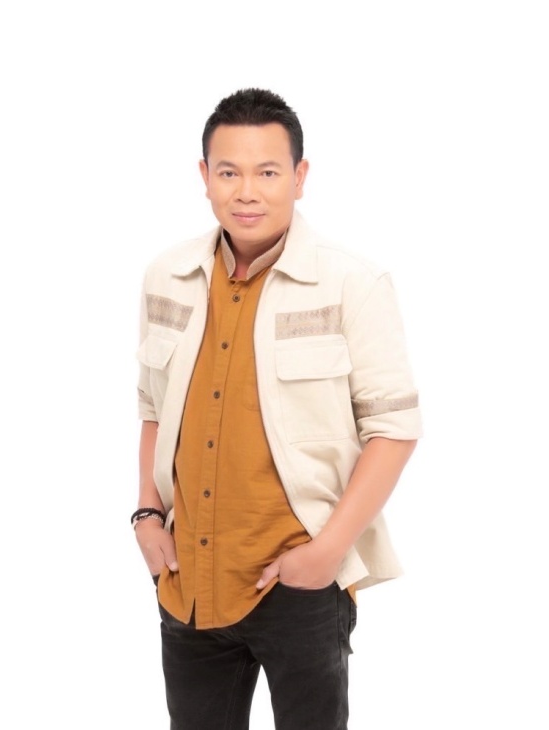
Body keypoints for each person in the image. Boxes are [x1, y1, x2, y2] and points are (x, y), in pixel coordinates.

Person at [133, 88, 422, 730]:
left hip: (300, 582)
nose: (247, 192)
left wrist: (328, 552)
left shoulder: (353, 282)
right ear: (204, 176)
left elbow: (394, 428)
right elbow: (152, 404)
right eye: (228, 172)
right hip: (188, 581)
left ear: (299, 176)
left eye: (267, 172)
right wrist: (147, 516)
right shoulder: (165, 275)